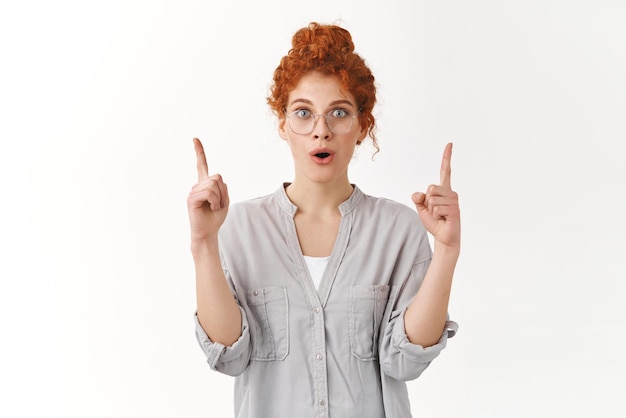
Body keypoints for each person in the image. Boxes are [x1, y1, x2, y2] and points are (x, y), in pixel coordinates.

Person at [188, 22, 460, 418]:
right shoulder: (238, 226)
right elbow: (229, 356)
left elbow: (406, 362)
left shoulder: (399, 228)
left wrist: (447, 251)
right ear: (282, 124)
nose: (321, 131)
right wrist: (203, 244)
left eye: (339, 112)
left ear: (362, 126)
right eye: (303, 113)